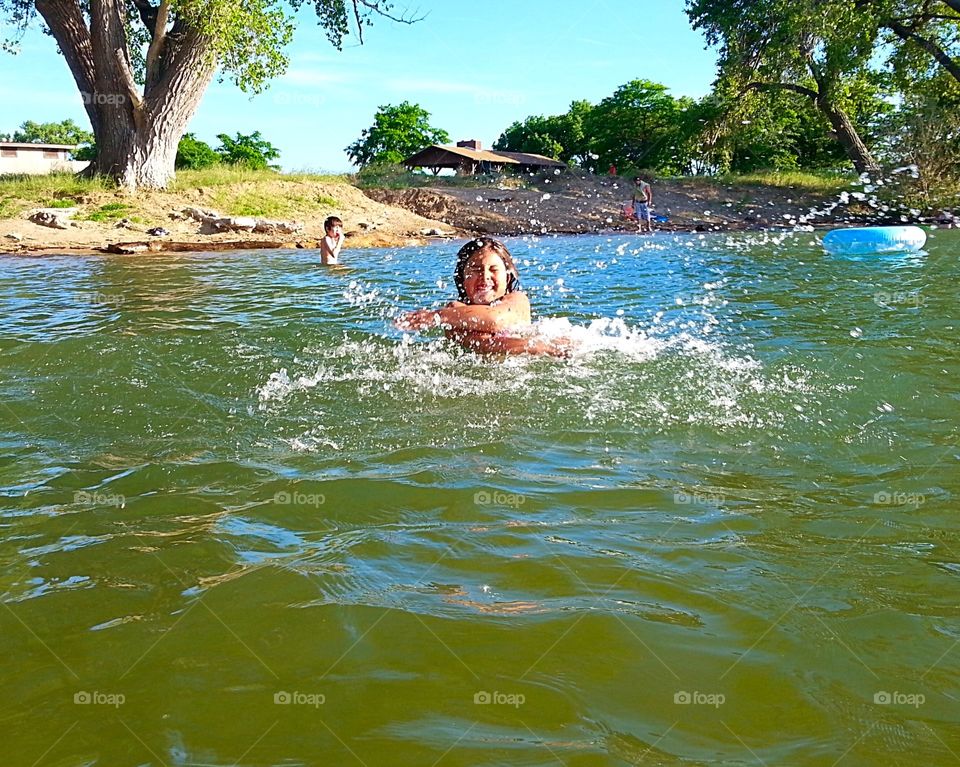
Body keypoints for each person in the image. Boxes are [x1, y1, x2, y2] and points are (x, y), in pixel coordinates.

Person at [397, 237, 570, 357]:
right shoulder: (454, 312)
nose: (485, 276)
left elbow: (496, 319)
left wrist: (436, 316)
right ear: (462, 278)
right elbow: (483, 345)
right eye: (475, 270)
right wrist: (540, 347)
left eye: (493, 269)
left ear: (507, 277)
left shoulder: (517, 300)